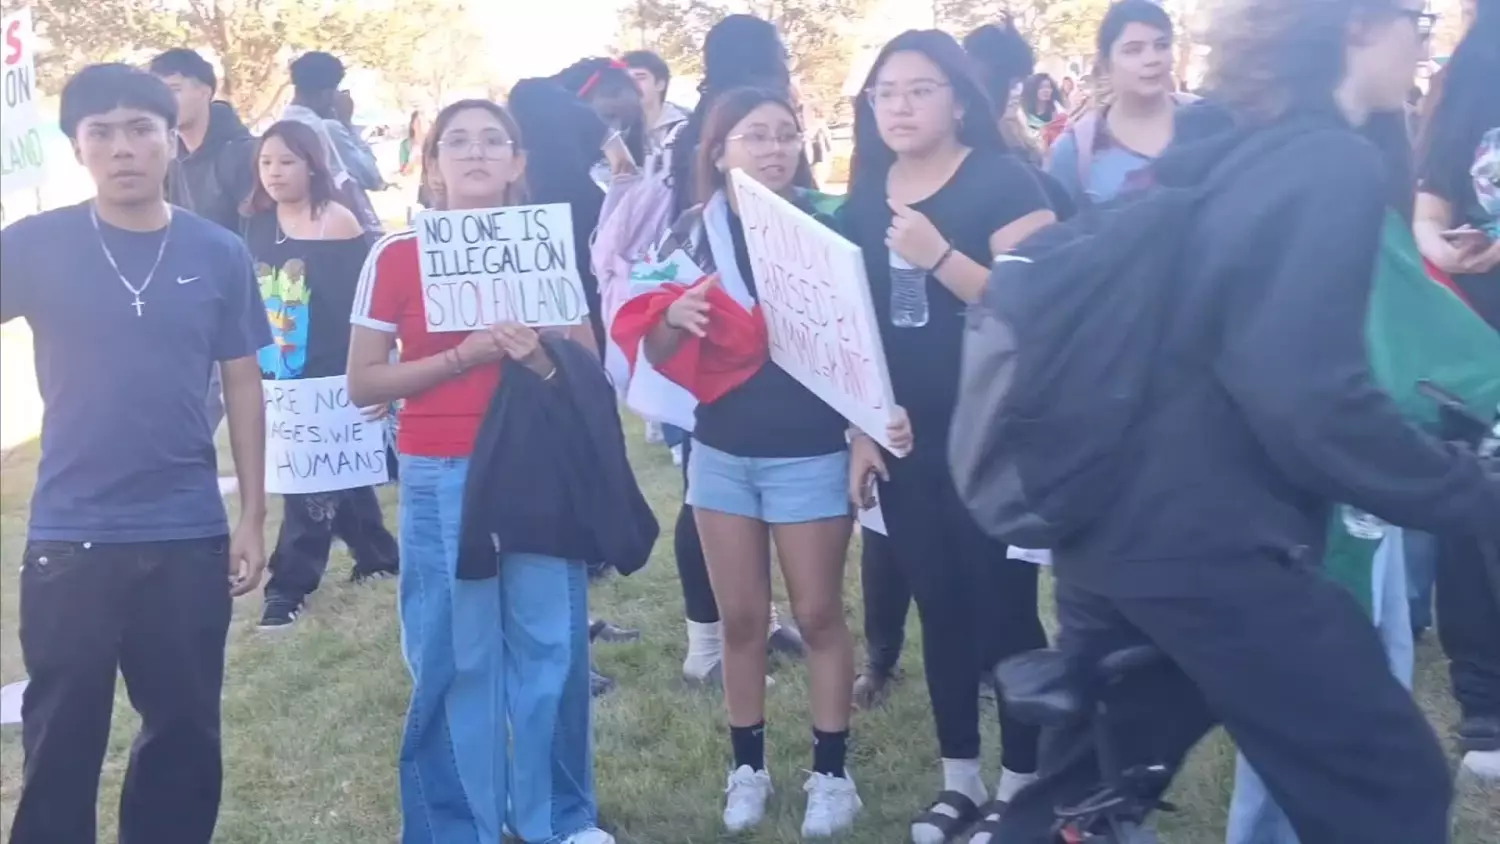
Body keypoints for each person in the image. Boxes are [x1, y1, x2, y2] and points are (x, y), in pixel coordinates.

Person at [992, 1, 1500, 842]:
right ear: (1355, 27)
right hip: (1210, 544)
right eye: (1413, 16)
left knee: (1086, 795)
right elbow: (1310, 400)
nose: (1426, 38)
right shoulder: (1327, 161)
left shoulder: (1222, 144)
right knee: (1391, 780)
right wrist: (1465, 493)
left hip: (1110, 522)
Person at [0, 63, 271, 844]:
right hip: (71, 535)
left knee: (185, 735)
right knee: (61, 739)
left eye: (141, 129)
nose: (123, 148)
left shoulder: (217, 252)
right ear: (77, 148)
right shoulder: (35, 245)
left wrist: (251, 515)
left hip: (187, 532)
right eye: (102, 133)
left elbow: (245, 384)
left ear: (169, 141)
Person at [348, 98, 614, 844]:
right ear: (430, 165)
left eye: (492, 141)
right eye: (455, 142)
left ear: (517, 162)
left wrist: (539, 358)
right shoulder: (397, 255)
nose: (474, 153)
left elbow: (591, 372)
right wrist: (463, 356)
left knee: (550, 646)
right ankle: (455, 825)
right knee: (454, 651)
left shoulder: (545, 247)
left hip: (536, 469)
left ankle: (558, 819)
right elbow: (365, 384)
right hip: (441, 469)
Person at [615, 86, 868, 837]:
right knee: (743, 620)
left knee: (819, 614)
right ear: (718, 150)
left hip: (812, 451)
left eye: (787, 134)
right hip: (723, 452)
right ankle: (747, 767)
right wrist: (670, 319)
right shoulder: (691, 234)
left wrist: (862, 433)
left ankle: (831, 773)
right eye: (755, 135)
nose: (774, 147)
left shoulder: (827, 224)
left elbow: (860, 342)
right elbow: (652, 347)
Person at [841, 30, 1055, 844]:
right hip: (906, 440)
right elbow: (851, 323)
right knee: (940, 609)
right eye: (884, 91)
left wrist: (941, 258)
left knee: (1005, 616)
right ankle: (959, 782)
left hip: (1000, 436)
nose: (898, 105)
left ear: (959, 99)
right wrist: (860, 425)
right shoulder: (868, 191)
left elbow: (1037, 308)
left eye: (918, 89)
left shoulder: (1005, 180)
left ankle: (1025, 785)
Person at [237, 119, 398, 630]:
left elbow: (363, 307)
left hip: (331, 372)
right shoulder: (256, 224)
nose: (275, 173)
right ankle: (378, 554)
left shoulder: (339, 221)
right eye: (266, 162)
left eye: (287, 161)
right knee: (329, 471)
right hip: (276, 371)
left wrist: (377, 372)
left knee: (307, 482)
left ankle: (287, 586)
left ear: (312, 164)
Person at [1412, 0, 1500, 781]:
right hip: (1472, 337)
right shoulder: (1470, 83)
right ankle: (1484, 703)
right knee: (1470, 514)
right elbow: (1429, 206)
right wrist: (1442, 241)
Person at [1047, 0, 1186, 205]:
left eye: (1162, 46)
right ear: (1105, 64)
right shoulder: (1076, 149)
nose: (1151, 59)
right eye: (1133, 50)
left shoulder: (1210, 120)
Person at [149, 48, 257, 233]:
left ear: (205, 92)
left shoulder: (242, 154)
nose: (165, 101)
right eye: (158, 93)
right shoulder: (167, 156)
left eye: (175, 90)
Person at [282, 52, 384, 234]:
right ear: (327, 93)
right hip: (340, 229)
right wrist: (346, 123)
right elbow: (371, 177)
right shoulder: (327, 129)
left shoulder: (278, 127)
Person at [623, 49, 690, 154]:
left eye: (640, 77)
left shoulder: (686, 127)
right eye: (626, 79)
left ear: (660, 84)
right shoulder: (617, 129)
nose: (632, 85)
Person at [399, 109, 424, 177]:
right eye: (418, 121)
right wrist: (412, 163)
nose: (422, 124)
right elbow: (402, 172)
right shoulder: (405, 145)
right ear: (412, 124)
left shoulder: (436, 143)